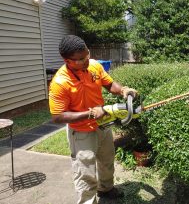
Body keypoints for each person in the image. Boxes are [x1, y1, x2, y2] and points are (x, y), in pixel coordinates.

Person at [48, 35, 137, 204]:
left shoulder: (94, 66)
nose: (86, 60)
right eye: (80, 59)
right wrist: (89, 114)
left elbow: (109, 84)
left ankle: (106, 188)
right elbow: (58, 116)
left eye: (87, 54)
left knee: (107, 160)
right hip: (81, 132)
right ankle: (87, 201)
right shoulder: (60, 82)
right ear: (67, 60)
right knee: (85, 171)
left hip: (103, 125)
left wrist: (123, 90)